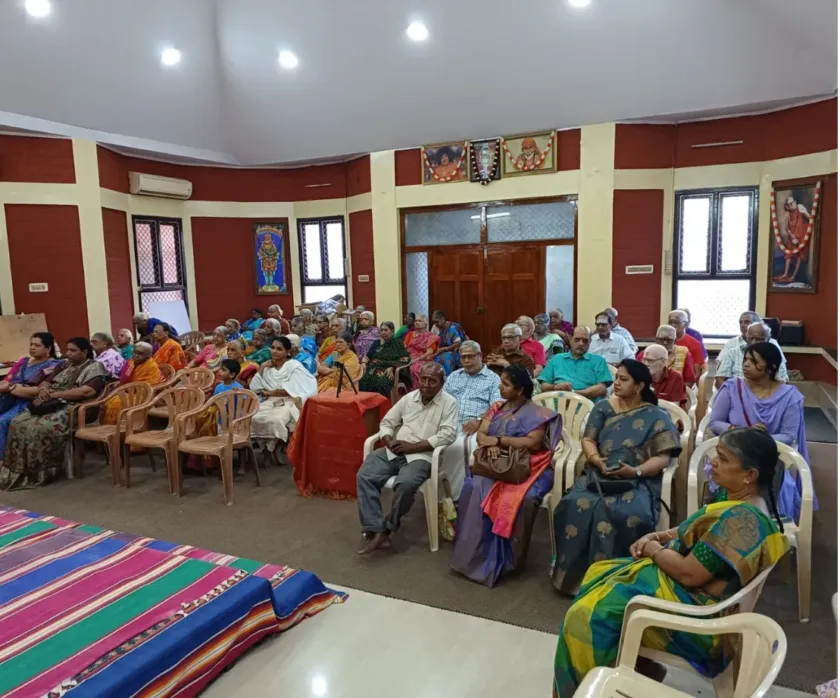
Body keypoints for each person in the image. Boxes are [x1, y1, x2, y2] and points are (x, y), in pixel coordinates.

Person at [552, 427, 790, 696]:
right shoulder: (738, 500)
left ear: (750, 475)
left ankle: (586, 689)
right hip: (687, 591)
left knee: (585, 615)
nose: (713, 461)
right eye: (716, 454)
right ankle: (633, 667)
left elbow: (689, 575)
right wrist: (661, 535)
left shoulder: (743, 522)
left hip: (699, 621)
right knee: (600, 571)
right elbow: (697, 529)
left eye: (723, 459)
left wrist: (654, 550)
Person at [550, 360, 681, 595]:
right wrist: (596, 459)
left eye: (623, 379)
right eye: (616, 377)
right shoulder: (603, 408)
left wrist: (635, 471)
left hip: (639, 479)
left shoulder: (656, 415)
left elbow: (663, 458)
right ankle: (571, 579)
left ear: (640, 385)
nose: (616, 383)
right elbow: (588, 440)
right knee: (571, 505)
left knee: (628, 513)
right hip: (598, 474)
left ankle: (619, 581)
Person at [451, 364, 563, 587]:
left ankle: (507, 560)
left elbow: (533, 443)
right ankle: (473, 557)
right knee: (473, 487)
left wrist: (500, 442)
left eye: (506, 384)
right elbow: (482, 434)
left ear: (520, 390)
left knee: (522, 498)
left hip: (528, 466)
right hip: (496, 463)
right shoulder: (496, 407)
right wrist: (491, 445)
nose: (500, 387)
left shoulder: (536, 413)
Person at [356, 362, 458, 554]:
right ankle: (375, 528)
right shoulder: (410, 398)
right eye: (424, 379)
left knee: (405, 484)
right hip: (396, 449)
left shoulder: (449, 402)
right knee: (365, 474)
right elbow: (388, 421)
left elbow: (448, 434)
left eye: (432, 381)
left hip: (423, 455)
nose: (426, 384)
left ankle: (386, 528)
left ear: (442, 383)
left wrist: (413, 447)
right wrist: (387, 439)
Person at [707, 341, 809, 522]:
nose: (746, 364)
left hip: (768, 456)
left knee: (769, 468)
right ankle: (719, 518)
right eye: (745, 359)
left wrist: (759, 439)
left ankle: (760, 522)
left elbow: (789, 435)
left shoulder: (789, 396)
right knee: (728, 465)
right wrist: (742, 433)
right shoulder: (732, 387)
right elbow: (715, 422)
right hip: (733, 452)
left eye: (754, 361)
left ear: (771, 367)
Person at [0, 338, 109, 490]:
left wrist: (54, 395)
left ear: (84, 352)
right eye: (67, 349)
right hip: (51, 401)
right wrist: (44, 390)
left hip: (77, 407)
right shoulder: (64, 365)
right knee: (17, 422)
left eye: (73, 350)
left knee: (38, 428)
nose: (68, 353)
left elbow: (86, 391)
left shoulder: (95, 367)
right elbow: (46, 381)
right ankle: (16, 470)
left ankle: (40, 473)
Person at [441, 341, 502, 498]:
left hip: (475, 426)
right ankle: (441, 493)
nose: (466, 361)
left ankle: (460, 495)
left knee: (461, 448)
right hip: (449, 422)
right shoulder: (454, 376)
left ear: (480, 356)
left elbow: (497, 406)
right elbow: (442, 400)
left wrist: (479, 420)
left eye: (470, 357)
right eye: (463, 357)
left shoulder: (493, 379)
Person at [250, 336, 318, 464]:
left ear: (287, 351)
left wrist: (270, 392)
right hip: (269, 401)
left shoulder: (293, 366)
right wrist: (262, 367)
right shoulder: (268, 366)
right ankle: (266, 450)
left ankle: (275, 448)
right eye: (273, 348)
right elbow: (255, 387)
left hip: (289, 400)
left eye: (279, 349)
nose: (274, 351)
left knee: (276, 420)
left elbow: (294, 389)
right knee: (254, 417)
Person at [0, 332, 61, 462]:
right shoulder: (23, 362)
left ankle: (5, 461)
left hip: (29, 403)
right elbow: (7, 380)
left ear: (48, 349)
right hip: (9, 399)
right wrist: (10, 387)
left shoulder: (54, 365)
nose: (32, 348)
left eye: (37, 345)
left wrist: (11, 388)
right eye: (31, 344)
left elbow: (39, 390)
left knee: (2, 421)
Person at [538, 326, 612, 401]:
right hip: (557, 405)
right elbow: (544, 387)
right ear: (570, 339)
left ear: (590, 342)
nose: (581, 343)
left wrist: (574, 394)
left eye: (585, 341)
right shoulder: (556, 359)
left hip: (586, 407)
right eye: (577, 339)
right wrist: (555, 387)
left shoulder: (598, 361)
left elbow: (602, 388)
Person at [102, 341, 164, 424]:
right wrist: (122, 384)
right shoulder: (131, 362)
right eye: (135, 352)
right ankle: (111, 428)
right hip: (129, 391)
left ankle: (125, 428)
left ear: (148, 355)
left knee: (117, 403)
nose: (136, 355)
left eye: (140, 353)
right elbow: (124, 379)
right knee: (111, 400)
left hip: (144, 395)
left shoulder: (151, 365)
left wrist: (128, 388)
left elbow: (150, 386)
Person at [716, 320, 788, 387]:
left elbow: (784, 381)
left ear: (768, 339)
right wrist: (733, 395)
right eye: (751, 338)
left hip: (765, 395)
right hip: (736, 395)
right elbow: (720, 379)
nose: (754, 342)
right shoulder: (733, 352)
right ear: (746, 337)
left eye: (759, 339)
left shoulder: (774, 354)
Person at [359, 322, 411, 397]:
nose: (383, 332)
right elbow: (367, 357)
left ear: (392, 332)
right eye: (381, 330)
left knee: (382, 381)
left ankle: (383, 404)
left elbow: (405, 358)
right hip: (373, 368)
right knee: (363, 380)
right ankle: (368, 403)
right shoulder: (376, 343)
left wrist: (393, 367)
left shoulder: (398, 343)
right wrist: (363, 363)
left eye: (386, 330)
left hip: (389, 371)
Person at [775, 196, 811, 283]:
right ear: (787, 206)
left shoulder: (800, 208)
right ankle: (785, 274)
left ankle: (793, 276)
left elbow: (811, 219)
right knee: (788, 255)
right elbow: (786, 228)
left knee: (799, 256)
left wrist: (805, 212)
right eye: (789, 204)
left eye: (793, 203)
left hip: (802, 236)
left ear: (795, 202)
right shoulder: (787, 214)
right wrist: (792, 236)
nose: (792, 205)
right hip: (792, 237)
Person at [642, 344, 687, 409]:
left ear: (663, 362)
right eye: (644, 360)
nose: (646, 364)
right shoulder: (641, 376)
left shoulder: (675, 377)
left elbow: (674, 408)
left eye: (650, 361)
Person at [404, 314, 441, 389]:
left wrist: (415, 360)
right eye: (416, 321)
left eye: (419, 321)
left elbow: (429, 352)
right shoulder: (410, 334)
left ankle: (418, 390)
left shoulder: (430, 336)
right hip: (408, 356)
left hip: (423, 358)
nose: (416, 322)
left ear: (426, 324)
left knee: (415, 369)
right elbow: (404, 347)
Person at [669, 310, 706, 375]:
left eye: (676, 322)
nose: (673, 325)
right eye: (670, 322)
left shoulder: (695, 344)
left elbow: (697, 374)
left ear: (685, 324)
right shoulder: (664, 342)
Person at [431, 310, 467, 376]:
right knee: (431, 358)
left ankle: (448, 379)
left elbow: (458, 343)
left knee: (444, 358)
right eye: (434, 322)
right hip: (443, 350)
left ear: (443, 319)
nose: (435, 324)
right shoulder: (437, 327)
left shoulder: (452, 328)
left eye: (437, 322)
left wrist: (444, 349)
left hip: (457, 351)